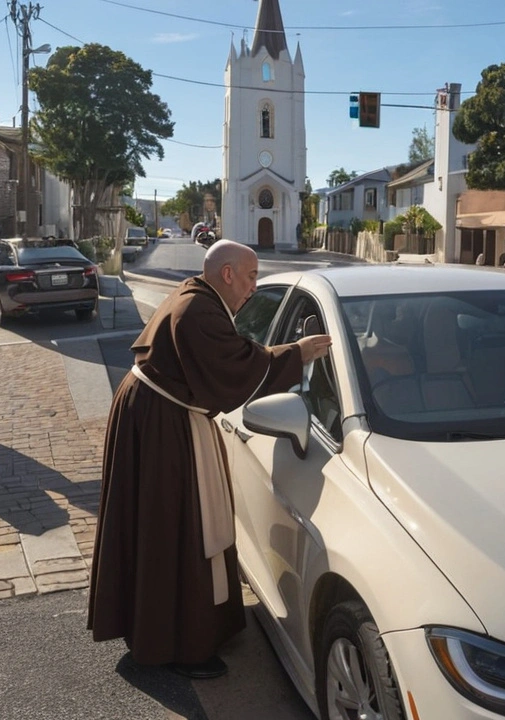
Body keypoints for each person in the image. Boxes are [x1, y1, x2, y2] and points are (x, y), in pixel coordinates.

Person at [88, 240, 332, 679]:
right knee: (177, 531)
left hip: (162, 415)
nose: (255, 287)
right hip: (164, 422)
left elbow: (231, 357)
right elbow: (236, 363)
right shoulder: (200, 311)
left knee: (169, 530)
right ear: (227, 274)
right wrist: (297, 353)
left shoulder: (198, 297)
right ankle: (178, 646)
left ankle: (172, 630)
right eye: (252, 275)